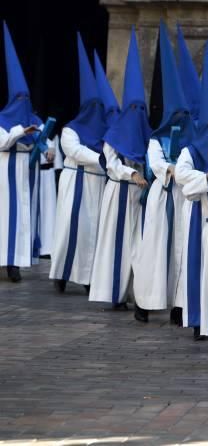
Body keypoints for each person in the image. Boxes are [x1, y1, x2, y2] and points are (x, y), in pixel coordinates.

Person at [132, 21, 196, 323]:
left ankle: (178, 306)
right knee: (156, 251)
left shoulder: (193, 141)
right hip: (163, 197)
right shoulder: (157, 139)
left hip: (184, 199)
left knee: (181, 252)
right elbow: (157, 165)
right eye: (176, 115)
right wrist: (175, 169)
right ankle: (144, 301)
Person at [89, 28, 151, 307]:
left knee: (137, 245)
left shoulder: (146, 134)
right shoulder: (113, 135)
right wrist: (132, 173)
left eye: (142, 108)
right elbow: (112, 165)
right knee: (116, 243)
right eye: (133, 107)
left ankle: (134, 293)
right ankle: (113, 294)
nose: (138, 113)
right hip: (118, 194)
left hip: (139, 198)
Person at [175, 37, 208, 340]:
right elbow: (183, 177)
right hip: (200, 219)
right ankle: (198, 320)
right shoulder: (189, 152)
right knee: (200, 270)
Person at [50, 35, 109, 292]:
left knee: (93, 231)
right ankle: (61, 273)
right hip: (76, 182)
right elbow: (73, 150)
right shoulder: (70, 130)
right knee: (70, 229)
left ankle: (88, 277)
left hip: (97, 185)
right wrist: (99, 158)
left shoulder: (106, 131)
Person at [0, 22, 45, 283]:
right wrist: (20, 131)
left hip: (24, 172)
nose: (23, 104)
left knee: (21, 217)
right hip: (4, 171)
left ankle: (15, 262)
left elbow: (43, 143)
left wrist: (44, 144)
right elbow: (3, 143)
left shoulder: (34, 120)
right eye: (19, 99)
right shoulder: (4, 121)